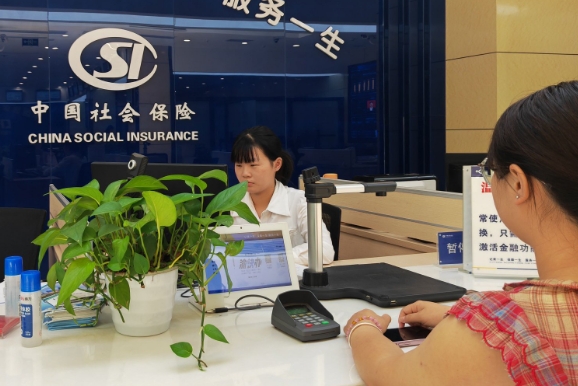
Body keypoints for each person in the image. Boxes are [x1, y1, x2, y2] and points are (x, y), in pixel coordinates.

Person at [343, 81, 578, 386]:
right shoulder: (500, 323)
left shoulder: (497, 320)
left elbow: (390, 374)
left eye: (490, 171)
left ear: (519, 184)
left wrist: (362, 328)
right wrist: (460, 322)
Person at [230, 126, 335, 266]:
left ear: (277, 164)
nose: (245, 173)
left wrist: (270, 257)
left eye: (253, 165)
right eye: (238, 165)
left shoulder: (300, 201)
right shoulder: (228, 206)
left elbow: (324, 250)